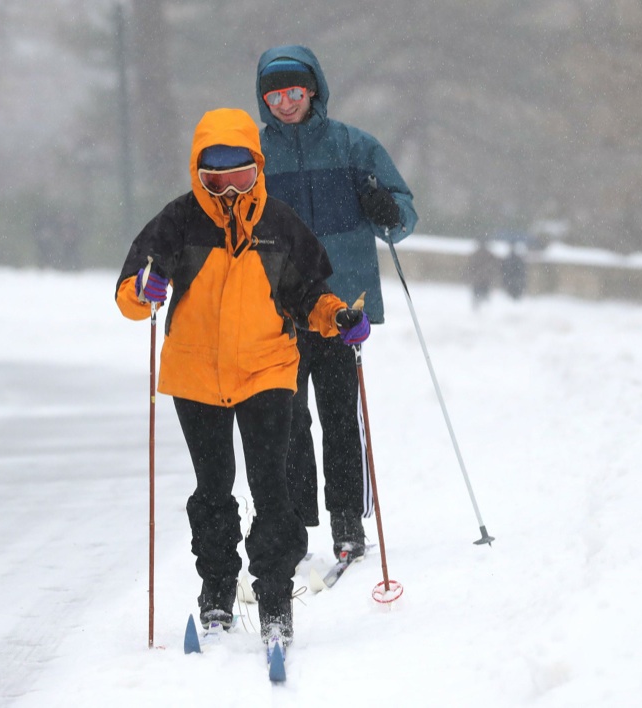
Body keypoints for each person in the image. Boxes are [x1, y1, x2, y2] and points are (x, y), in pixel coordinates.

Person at [114, 108, 371, 647]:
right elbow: (134, 289)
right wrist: (144, 290)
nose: (228, 187)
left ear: (258, 166)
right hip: (195, 373)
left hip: (267, 369)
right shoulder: (178, 222)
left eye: (240, 173)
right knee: (213, 488)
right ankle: (217, 590)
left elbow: (309, 297)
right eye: (215, 174)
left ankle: (276, 599)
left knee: (271, 486)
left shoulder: (279, 225)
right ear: (198, 172)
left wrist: (338, 317)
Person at [255, 45, 417, 563]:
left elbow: (402, 216)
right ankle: (296, 522)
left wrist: (386, 208)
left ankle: (348, 519)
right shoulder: (256, 157)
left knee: (339, 415)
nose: (285, 103)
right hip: (276, 309)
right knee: (288, 418)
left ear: (314, 90)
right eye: (274, 95)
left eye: (294, 92)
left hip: (341, 306)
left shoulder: (353, 146)